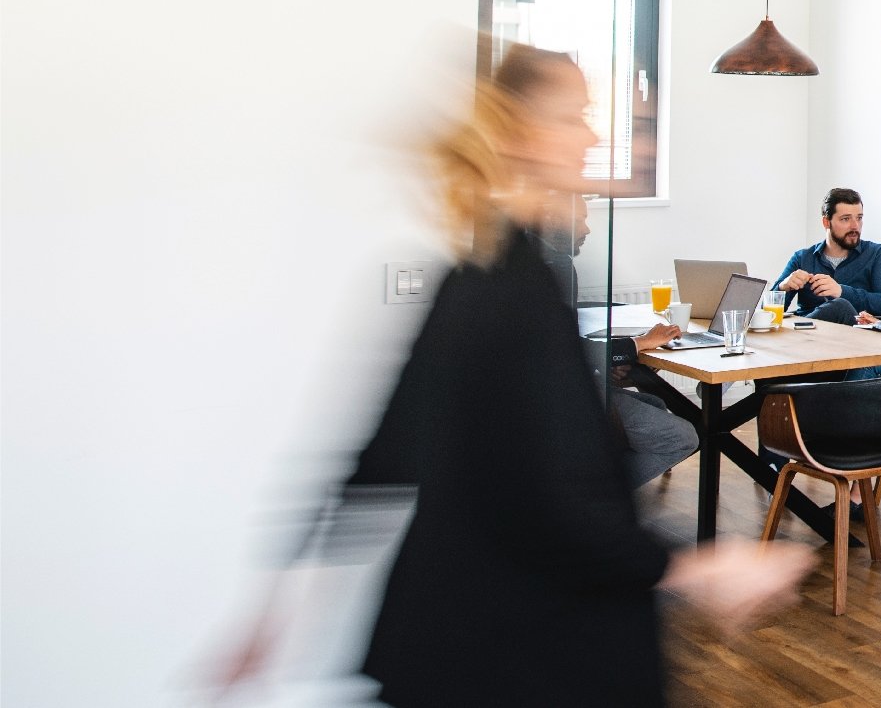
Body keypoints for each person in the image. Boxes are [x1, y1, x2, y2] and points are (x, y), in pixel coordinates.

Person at [222, 44, 813, 707]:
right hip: (518, 653)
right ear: (518, 134)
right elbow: (552, 497)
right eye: (572, 117)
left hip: (460, 644)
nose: (591, 136)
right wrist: (695, 570)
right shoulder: (512, 289)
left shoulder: (482, 274)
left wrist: (273, 604)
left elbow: (386, 453)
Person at [537, 193, 700, 488]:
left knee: (654, 402)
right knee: (684, 437)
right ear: (551, 220)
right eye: (580, 220)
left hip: (555, 392)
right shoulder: (555, 266)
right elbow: (560, 349)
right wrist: (638, 343)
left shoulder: (537, 261)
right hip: (560, 401)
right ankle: (593, 497)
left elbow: (557, 343)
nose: (587, 229)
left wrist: (605, 362)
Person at [776, 188, 881, 325]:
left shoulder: (877, 254)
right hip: (808, 334)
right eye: (846, 219)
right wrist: (783, 287)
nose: (855, 226)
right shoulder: (802, 258)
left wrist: (841, 291)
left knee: (840, 306)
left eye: (859, 218)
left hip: (853, 334)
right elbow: (767, 312)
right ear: (826, 222)